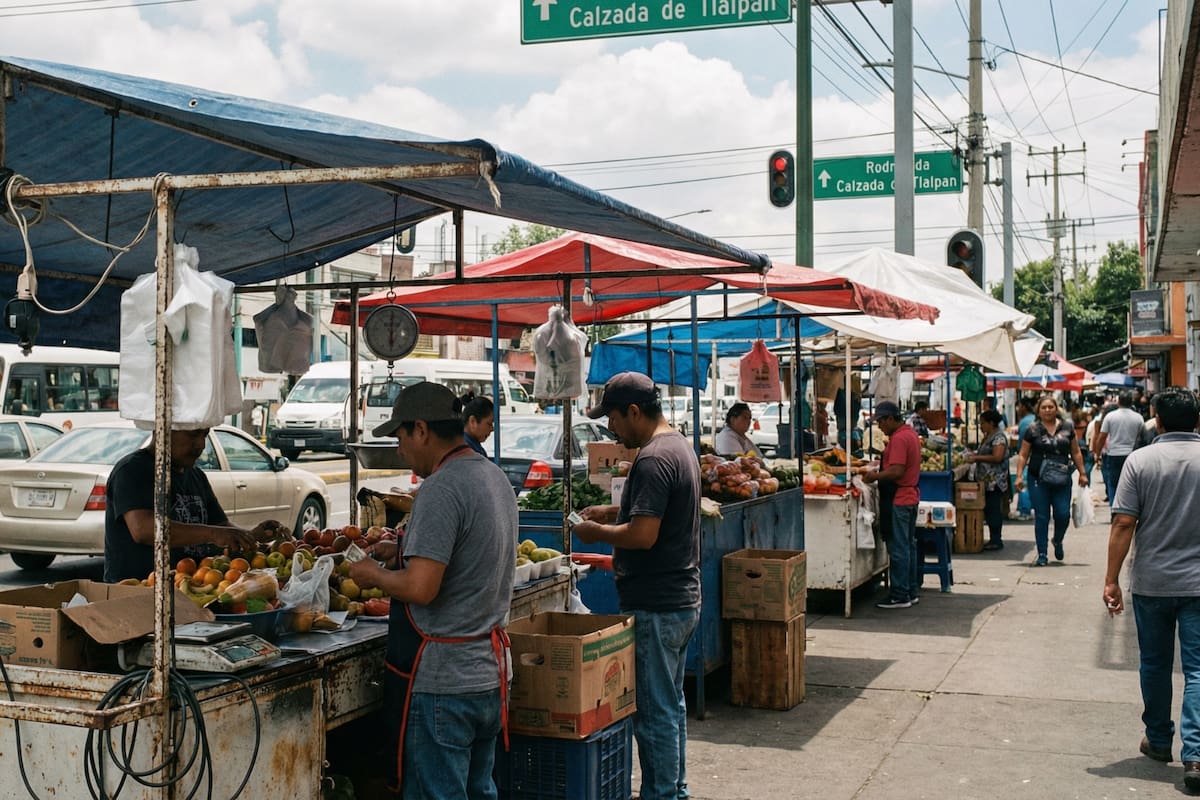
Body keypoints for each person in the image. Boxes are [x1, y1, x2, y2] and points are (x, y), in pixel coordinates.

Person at [347, 381, 516, 798]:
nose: (400, 450)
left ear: (421, 429)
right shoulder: (493, 476)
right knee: (479, 790)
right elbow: (467, 555)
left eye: (401, 437)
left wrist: (372, 574)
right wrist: (404, 550)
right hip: (489, 676)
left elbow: (421, 588)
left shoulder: (441, 488)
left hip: (447, 682)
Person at [572, 372, 701, 800]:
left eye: (612, 418)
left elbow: (644, 535)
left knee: (655, 712)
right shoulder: (678, 445)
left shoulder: (651, 459)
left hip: (656, 605)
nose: (611, 429)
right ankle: (674, 789)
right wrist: (612, 511)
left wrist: (595, 532)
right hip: (680, 600)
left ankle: (662, 793)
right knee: (671, 704)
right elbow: (658, 511)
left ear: (633, 411)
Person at [1102, 387, 1200, 791]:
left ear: (1156, 420)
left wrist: (1111, 579)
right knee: (1198, 669)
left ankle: (1159, 740)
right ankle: (1196, 755)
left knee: (1156, 664)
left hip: (1153, 582)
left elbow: (1124, 522)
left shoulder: (1139, 461)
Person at [104, 428, 275, 583]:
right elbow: (144, 530)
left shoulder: (196, 475)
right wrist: (212, 534)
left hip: (193, 585)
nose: (201, 444)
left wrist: (250, 536)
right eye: (193, 435)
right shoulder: (133, 470)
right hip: (139, 592)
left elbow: (221, 525)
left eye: (204, 435)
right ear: (163, 430)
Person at [860, 400, 921, 609]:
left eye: (881, 421)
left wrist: (874, 476)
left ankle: (900, 595)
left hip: (899, 499)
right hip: (909, 497)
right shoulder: (910, 434)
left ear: (891, 418)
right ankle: (910, 590)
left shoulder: (900, 438)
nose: (880, 426)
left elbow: (897, 471)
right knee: (908, 546)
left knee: (899, 548)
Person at [1014, 395, 1089, 566]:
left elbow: (1075, 451)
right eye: (1044, 407)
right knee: (1042, 516)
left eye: (1050, 407)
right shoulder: (1032, 429)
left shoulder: (1067, 427)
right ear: (1038, 411)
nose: (1047, 410)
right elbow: (1023, 454)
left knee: (1063, 514)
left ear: (1056, 409)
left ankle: (1057, 539)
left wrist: (1083, 473)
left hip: (1062, 478)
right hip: (1038, 478)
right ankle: (1042, 554)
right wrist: (1019, 476)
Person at [966, 408, 1010, 551]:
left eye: (983, 423)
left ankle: (996, 539)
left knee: (993, 509)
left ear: (991, 423)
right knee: (989, 509)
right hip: (987, 480)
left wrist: (976, 458)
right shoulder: (989, 436)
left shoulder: (998, 437)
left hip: (994, 481)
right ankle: (993, 538)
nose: (981, 426)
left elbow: (997, 457)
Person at [1092, 391, 1144, 507]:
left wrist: (1097, 453)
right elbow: (1141, 437)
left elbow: (1102, 437)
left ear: (1118, 402)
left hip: (1114, 454)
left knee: (1113, 484)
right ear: (1131, 402)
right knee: (1131, 484)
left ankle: (1114, 508)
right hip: (1132, 454)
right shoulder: (1138, 418)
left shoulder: (1110, 417)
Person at [460, 391, 495, 458]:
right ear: (472, 421)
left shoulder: (474, 446)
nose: (492, 429)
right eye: (489, 424)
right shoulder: (466, 452)